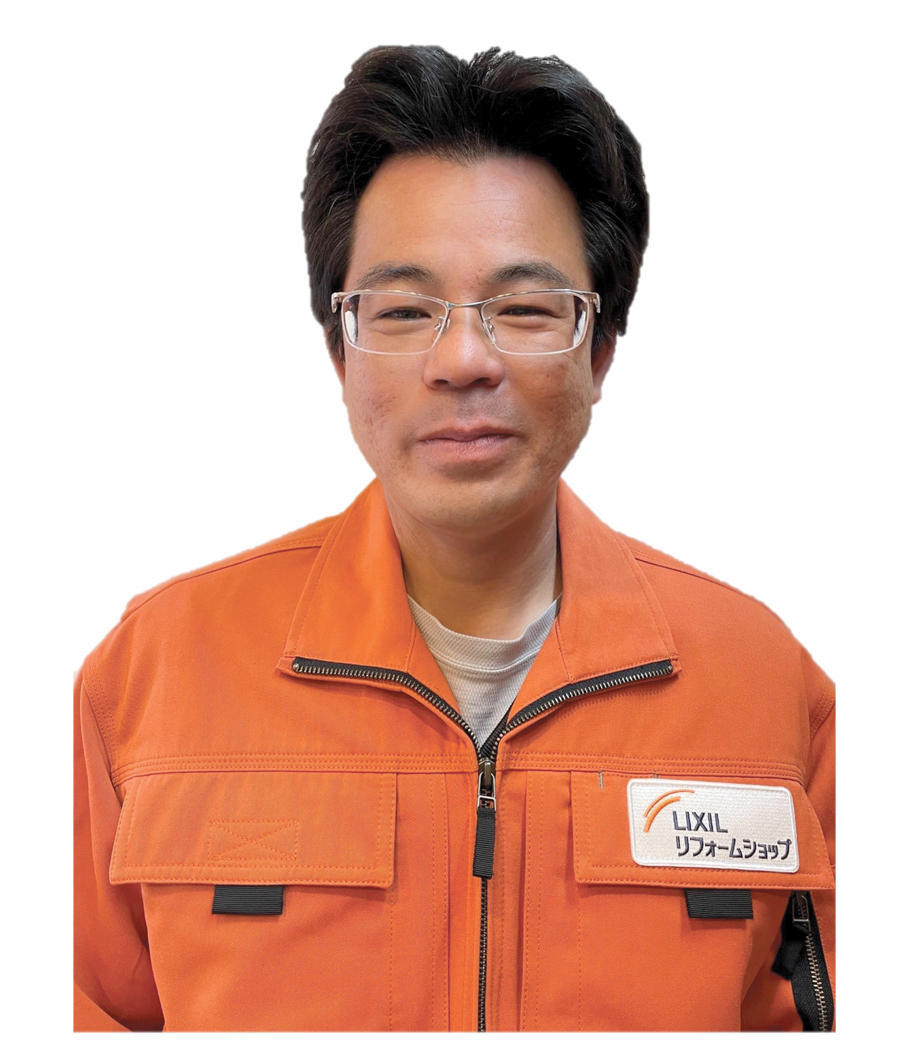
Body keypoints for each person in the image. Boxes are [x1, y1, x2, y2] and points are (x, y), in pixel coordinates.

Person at [73, 44, 835, 1032]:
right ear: (340, 351)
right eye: (403, 310)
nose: (463, 357)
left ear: (601, 350)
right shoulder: (155, 671)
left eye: (524, 308)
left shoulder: (763, 683)